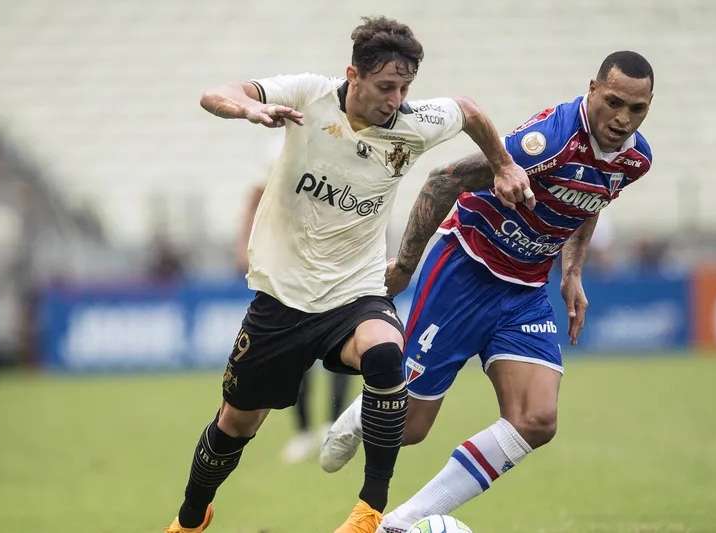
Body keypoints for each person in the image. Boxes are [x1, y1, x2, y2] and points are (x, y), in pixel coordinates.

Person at [164, 16, 531, 533]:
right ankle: (189, 517)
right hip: (283, 298)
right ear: (352, 75)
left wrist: (503, 164)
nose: (396, 99)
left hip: (355, 290)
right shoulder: (309, 96)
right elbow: (215, 93)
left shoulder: (411, 121)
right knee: (235, 425)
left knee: (386, 354)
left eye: (405, 87)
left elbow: (468, 111)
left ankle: (367, 511)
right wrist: (249, 107)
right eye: (386, 86)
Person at [320, 51, 655, 532]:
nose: (623, 119)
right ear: (592, 89)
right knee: (410, 428)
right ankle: (366, 408)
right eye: (614, 102)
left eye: (637, 109)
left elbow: (591, 198)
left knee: (537, 420)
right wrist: (408, 265)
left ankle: (397, 524)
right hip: (465, 269)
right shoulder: (549, 141)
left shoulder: (635, 159)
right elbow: (443, 180)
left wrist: (572, 272)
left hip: (524, 290)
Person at [238, 182, 353, 464]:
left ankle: (333, 425)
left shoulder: (335, 160)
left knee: (340, 352)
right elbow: (255, 198)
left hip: (334, 271)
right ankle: (303, 432)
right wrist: (246, 245)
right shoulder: (282, 160)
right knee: (295, 357)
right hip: (293, 276)